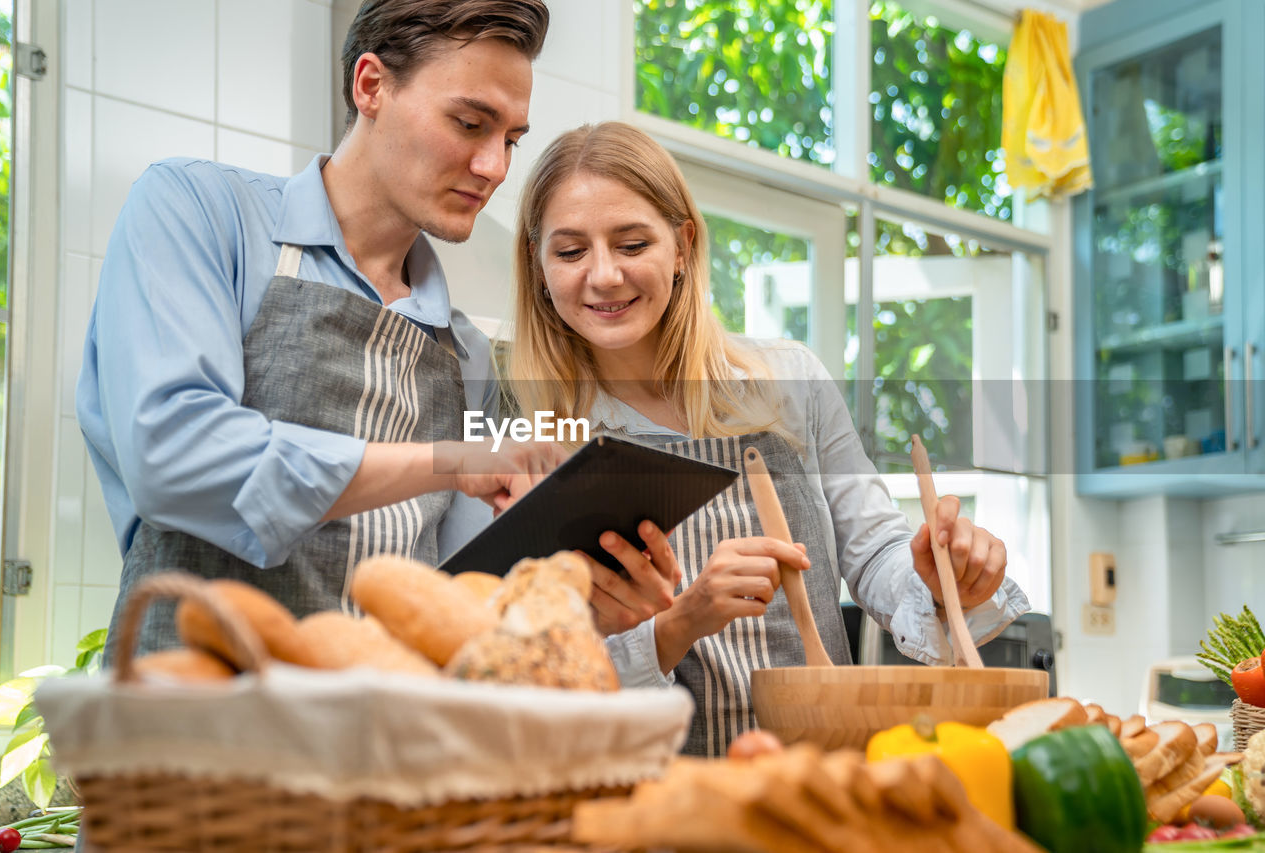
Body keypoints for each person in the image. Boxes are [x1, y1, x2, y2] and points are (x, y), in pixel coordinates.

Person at [508, 121, 1031, 756]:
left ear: (682, 246)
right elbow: (540, 668)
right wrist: (679, 622)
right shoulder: (532, 435)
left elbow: (874, 551)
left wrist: (937, 579)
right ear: (538, 268)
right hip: (656, 793)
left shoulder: (787, 380)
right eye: (569, 252)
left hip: (822, 773)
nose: (605, 275)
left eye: (632, 243)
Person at [77, 0, 562, 655]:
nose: (495, 168)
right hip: (187, 724)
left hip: (382, 743)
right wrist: (447, 460)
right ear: (371, 85)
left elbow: (464, 598)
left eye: (510, 139)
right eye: (470, 123)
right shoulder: (199, 212)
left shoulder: (466, 354)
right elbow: (173, 455)